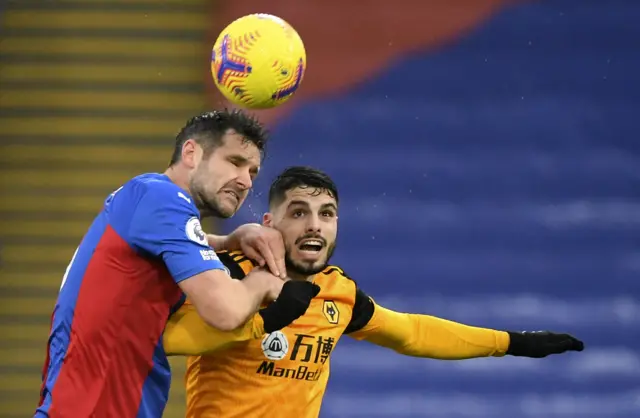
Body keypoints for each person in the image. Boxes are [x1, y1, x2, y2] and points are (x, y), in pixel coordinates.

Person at [162, 166, 585, 418]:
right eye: (299, 212)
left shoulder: (339, 293)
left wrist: (510, 343)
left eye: (326, 214)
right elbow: (171, 339)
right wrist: (264, 320)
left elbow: (411, 333)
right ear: (270, 224)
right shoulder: (225, 275)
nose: (314, 225)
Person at [35, 111, 319, 418]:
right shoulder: (162, 197)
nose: (245, 180)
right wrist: (265, 281)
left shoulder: (148, 200)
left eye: (252, 171)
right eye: (235, 162)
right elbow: (225, 310)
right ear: (191, 153)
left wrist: (227, 241)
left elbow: (171, 243)